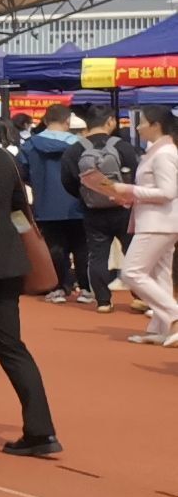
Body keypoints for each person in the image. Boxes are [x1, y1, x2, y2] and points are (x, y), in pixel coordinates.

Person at [0, 109, 62, 456]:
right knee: (13, 349)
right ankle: (41, 430)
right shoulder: (6, 161)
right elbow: (21, 211)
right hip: (7, 265)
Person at [114, 103, 178, 346]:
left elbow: (168, 192)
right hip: (157, 220)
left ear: (156, 125)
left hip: (158, 223)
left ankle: (173, 314)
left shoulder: (164, 153)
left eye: (141, 123)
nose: (138, 128)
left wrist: (129, 190)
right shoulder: (158, 152)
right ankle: (163, 328)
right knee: (160, 275)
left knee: (132, 272)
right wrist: (130, 196)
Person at [19, 106, 90, 304]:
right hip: (77, 203)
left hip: (46, 203)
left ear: (45, 120)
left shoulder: (31, 145)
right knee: (81, 247)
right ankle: (85, 288)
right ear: (68, 121)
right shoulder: (80, 145)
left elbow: (21, 172)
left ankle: (59, 287)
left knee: (54, 248)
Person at [77, 107, 135, 313]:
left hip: (92, 210)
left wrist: (85, 197)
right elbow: (135, 173)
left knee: (97, 255)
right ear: (110, 121)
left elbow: (67, 179)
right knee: (133, 252)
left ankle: (103, 301)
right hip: (124, 208)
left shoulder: (75, 149)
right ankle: (141, 297)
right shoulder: (124, 147)